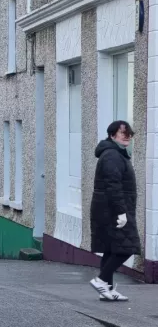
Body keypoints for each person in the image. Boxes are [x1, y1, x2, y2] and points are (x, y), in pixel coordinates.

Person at [89, 120, 141, 302]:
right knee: (127, 248)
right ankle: (101, 280)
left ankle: (107, 289)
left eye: (129, 133)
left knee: (111, 248)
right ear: (112, 135)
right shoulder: (112, 155)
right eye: (122, 133)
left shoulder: (116, 153)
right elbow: (113, 186)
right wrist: (121, 212)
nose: (127, 136)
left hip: (107, 209)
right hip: (112, 210)